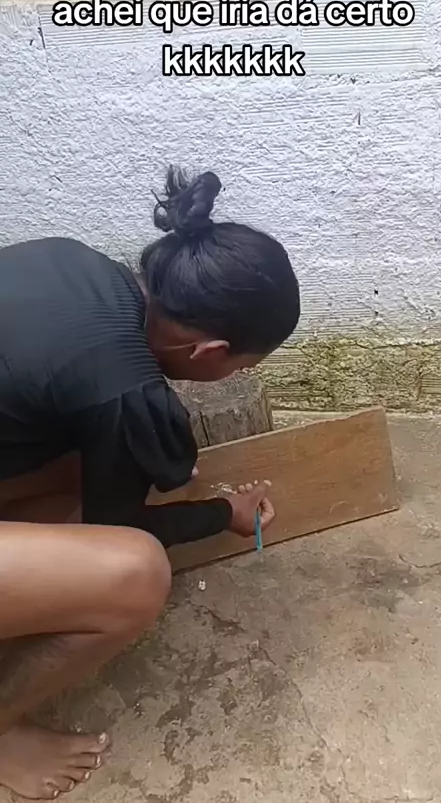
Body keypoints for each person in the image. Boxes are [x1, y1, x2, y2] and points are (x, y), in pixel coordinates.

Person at [0, 166, 300, 800]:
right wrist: (222, 515)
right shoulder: (122, 389)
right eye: (240, 367)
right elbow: (121, 532)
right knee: (134, 574)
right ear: (209, 351)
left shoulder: (72, 259)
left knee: (84, 464)